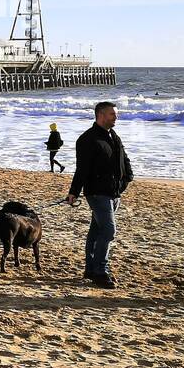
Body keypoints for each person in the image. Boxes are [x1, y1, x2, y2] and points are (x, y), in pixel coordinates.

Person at [65, 101, 133, 290]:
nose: (116, 117)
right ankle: (100, 272)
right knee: (109, 231)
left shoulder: (114, 136)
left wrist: (127, 178)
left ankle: (90, 269)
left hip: (114, 192)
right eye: (112, 114)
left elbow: (124, 159)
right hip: (97, 193)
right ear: (101, 115)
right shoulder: (87, 139)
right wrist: (74, 192)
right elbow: (82, 169)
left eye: (116, 114)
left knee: (96, 232)